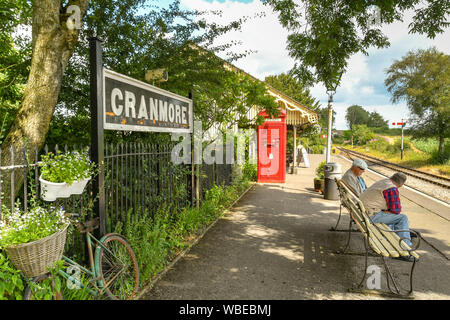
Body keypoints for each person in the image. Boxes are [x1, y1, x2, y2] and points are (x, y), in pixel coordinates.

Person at [360, 172, 417, 262]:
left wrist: (386, 210)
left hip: (362, 212)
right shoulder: (392, 188)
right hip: (370, 215)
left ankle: (403, 233)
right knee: (402, 218)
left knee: (391, 215)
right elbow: (396, 210)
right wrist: (387, 210)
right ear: (401, 185)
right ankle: (404, 250)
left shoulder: (384, 181)